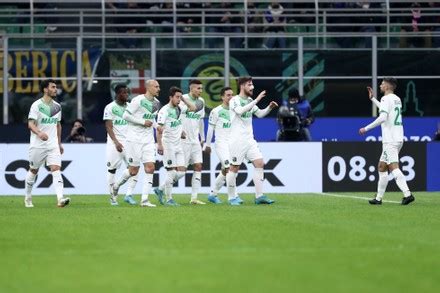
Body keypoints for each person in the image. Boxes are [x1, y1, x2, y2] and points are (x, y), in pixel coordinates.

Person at [359, 78, 415, 205]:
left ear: (388, 86)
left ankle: (408, 194)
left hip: (390, 139)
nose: (380, 85)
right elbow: (386, 111)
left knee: (393, 167)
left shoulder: (386, 99)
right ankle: (378, 199)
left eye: (382, 84)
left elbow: (383, 117)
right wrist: (373, 99)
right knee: (381, 166)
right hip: (398, 137)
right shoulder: (396, 99)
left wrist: (366, 128)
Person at [226, 76, 278, 205]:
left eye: (252, 84)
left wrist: (269, 108)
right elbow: (240, 111)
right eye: (249, 84)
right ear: (242, 86)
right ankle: (232, 197)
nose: (252, 87)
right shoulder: (234, 100)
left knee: (260, 163)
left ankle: (259, 196)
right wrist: (257, 99)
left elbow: (259, 114)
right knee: (234, 168)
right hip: (237, 140)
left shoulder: (249, 100)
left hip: (249, 140)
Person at [110, 80, 162, 207]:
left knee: (150, 168)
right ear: (149, 88)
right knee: (133, 171)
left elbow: (151, 119)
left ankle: (144, 200)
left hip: (148, 140)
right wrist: (142, 122)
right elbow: (126, 116)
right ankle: (116, 186)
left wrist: (157, 126)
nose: (158, 89)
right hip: (134, 140)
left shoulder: (156, 103)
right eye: (156, 86)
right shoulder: (138, 100)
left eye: (158, 86)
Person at [25, 79, 70, 208]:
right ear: (45, 89)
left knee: (56, 169)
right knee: (33, 170)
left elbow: (58, 125)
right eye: (53, 87)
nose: (56, 89)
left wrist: (59, 143)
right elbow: (30, 124)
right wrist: (39, 133)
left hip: (53, 144)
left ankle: (60, 199)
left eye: (56, 87)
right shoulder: (36, 105)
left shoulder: (57, 107)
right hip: (37, 144)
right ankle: (28, 198)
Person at [154, 87, 196, 206]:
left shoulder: (181, 108)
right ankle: (169, 199)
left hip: (178, 144)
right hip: (168, 144)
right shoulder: (164, 111)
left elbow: (193, 108)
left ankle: (160, 189)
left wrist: (183, 98)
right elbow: (159, 129)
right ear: (170, 97)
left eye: (180, 97)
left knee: (182, 172)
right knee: (171, 172)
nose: (179, 99)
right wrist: (160, 144)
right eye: (177, 97)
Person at [103, 84, 139, 206]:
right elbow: (108, 126)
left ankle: (127, 193)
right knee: (112, 169)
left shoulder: (130, 107)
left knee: (134, 168)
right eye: (124, 93)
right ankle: (113, 198)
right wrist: (116, 142)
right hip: (115, 144)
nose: (126, 95)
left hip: (129, 143)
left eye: (127, 92)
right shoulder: (110, 107)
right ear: (117, 94)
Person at [204, 87, 234, 204]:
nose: (230, 97)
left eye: (232, 95)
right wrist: (208, 144)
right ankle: (234, 196)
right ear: (222, 97)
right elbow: (210, 129)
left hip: (232, 144)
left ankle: (213, 194)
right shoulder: (216, 111)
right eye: (228, 95)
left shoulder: (236, 111)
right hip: (221, 144)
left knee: (225, 170)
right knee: (229, 168)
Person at [181, 80, 207, 205]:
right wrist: (179, 131)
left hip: (195, 140)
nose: (200, 91)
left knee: (198, 166)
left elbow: (201, 121)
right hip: (183, 140)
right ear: (191, 89)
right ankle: (161, 188)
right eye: (198, 88)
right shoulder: (182, 99)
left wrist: (203, 138)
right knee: (181, 171)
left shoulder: (201, 101)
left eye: (201, 88)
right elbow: (175, 116)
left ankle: (194, 198)